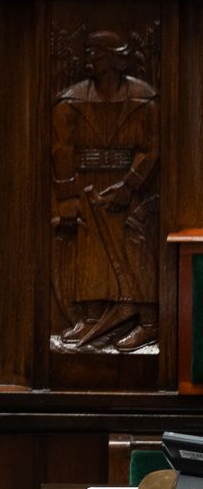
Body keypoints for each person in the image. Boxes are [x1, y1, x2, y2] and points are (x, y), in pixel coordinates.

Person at [51, 29, 159, 351]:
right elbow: (61, 151)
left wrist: (129, 185)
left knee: (135, 249)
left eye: (93, 55)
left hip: (129, 188)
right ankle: (91, 316)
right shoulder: (71, 102)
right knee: (89, 249)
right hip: (87, 184)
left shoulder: (143, 98)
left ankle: (149, 322)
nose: (88, 61)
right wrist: (68, 198)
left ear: (113, 58)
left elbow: (152, 147)